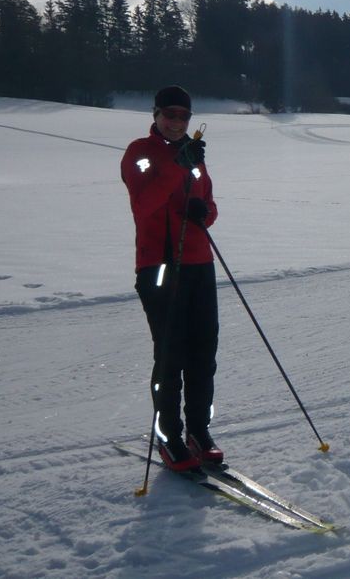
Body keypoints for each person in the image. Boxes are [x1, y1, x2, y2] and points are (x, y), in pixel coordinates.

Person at [121, 85, 222, 471]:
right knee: (170, 356)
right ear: (156, 114)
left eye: (183, 117)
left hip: (199, 263)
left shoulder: (195, 156)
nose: (177, 122)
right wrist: (176, 166)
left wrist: (203, 211)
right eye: (170, 115)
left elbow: (209, 204)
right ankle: (169, 435)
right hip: (159, 265)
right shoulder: (140, 153)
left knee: (203, 352)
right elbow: (144, 204)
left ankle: (199, 430)